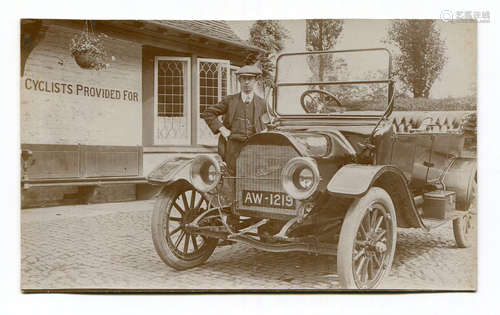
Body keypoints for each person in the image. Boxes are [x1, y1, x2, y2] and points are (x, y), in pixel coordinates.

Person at [201, 64, 267, 172]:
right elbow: (208, 113)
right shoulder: (230, 101)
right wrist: (222, 129)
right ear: (239, 81)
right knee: (231, 177)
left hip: (254, 148)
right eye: (243, 79)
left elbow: (269, 124)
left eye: (250, 79)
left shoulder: (262, 103)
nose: (246, 82)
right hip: (231, 147)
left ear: (255, 81)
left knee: (253, 178)